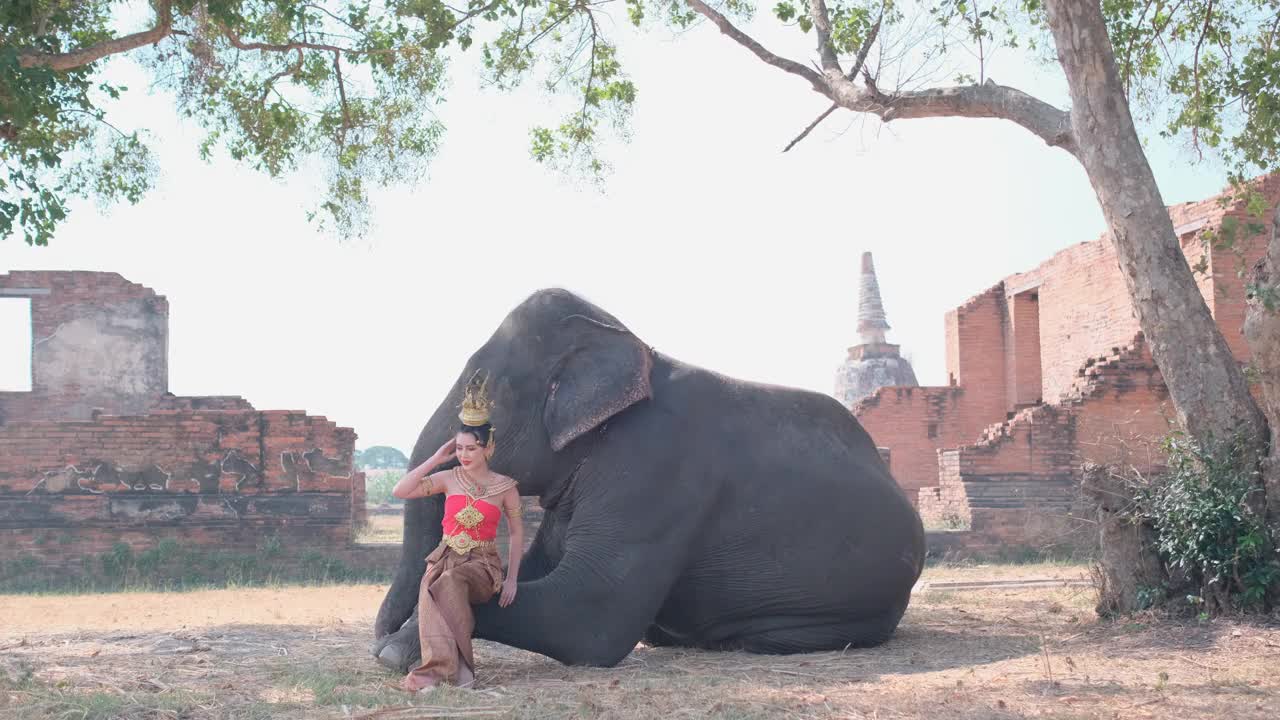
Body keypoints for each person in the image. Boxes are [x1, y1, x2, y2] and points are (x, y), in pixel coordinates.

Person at [391, 374, 524, 691]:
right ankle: (448, 671)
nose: (464, 455)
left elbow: (517, 534)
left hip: (482, 565)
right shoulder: (448, 478)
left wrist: (512, 578)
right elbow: (401, 490)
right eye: (460, 448)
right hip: (446, 557)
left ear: (487, 447)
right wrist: (436, 459)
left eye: (471, 449)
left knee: (448, 581)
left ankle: (457, 668)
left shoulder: (505, 487)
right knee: (433, 582)